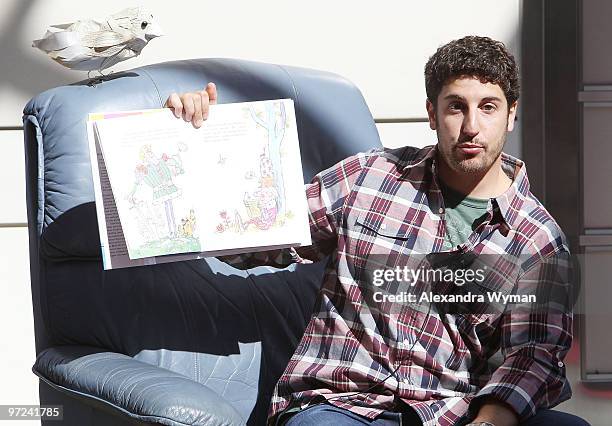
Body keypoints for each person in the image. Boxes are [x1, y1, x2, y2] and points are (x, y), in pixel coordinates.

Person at [165, 36, 588, 426]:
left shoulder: (539, 240)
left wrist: (492, 419)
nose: (471, 126)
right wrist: (200, 142)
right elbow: (250, 239)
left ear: (512, 114)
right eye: (456, 106)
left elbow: (535, 352)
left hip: (450, 411)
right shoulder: (369, 177)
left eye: (489, 107)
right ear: (432, 114)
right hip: (341, 405)